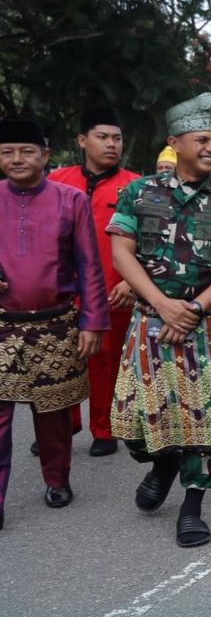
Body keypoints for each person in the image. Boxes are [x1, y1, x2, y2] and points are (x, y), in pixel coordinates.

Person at [107, 92, 211, 548]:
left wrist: (191, 309)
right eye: (203, 140)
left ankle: (192, 508)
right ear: (175, 143)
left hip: (207, 325)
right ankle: (161, 463)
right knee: (135, 421)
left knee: (206, 421)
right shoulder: (139, 193)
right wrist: (164, 304)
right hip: (152, 321)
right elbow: (121, 252)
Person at [0, 118, 109, 528]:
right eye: (8, 151)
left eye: (27, 151)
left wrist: (93, 321)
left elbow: (89, 265)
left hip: (56, 325)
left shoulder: (70, 200)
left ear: (45, 156)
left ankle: (57, 479)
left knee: (54, 415)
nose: (17, 159)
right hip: (2, 326)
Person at [46, 107, 140, 457]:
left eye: (116, 138)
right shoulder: (57, 180)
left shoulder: (134, 184)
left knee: (105, 362)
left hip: (113, 290)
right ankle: (61, 425)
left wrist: (131, 284)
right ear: (83, 140)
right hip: (60, 291)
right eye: (103, 137)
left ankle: (104, 429)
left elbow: (149, 239)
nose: (111, 144)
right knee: (58, 362)